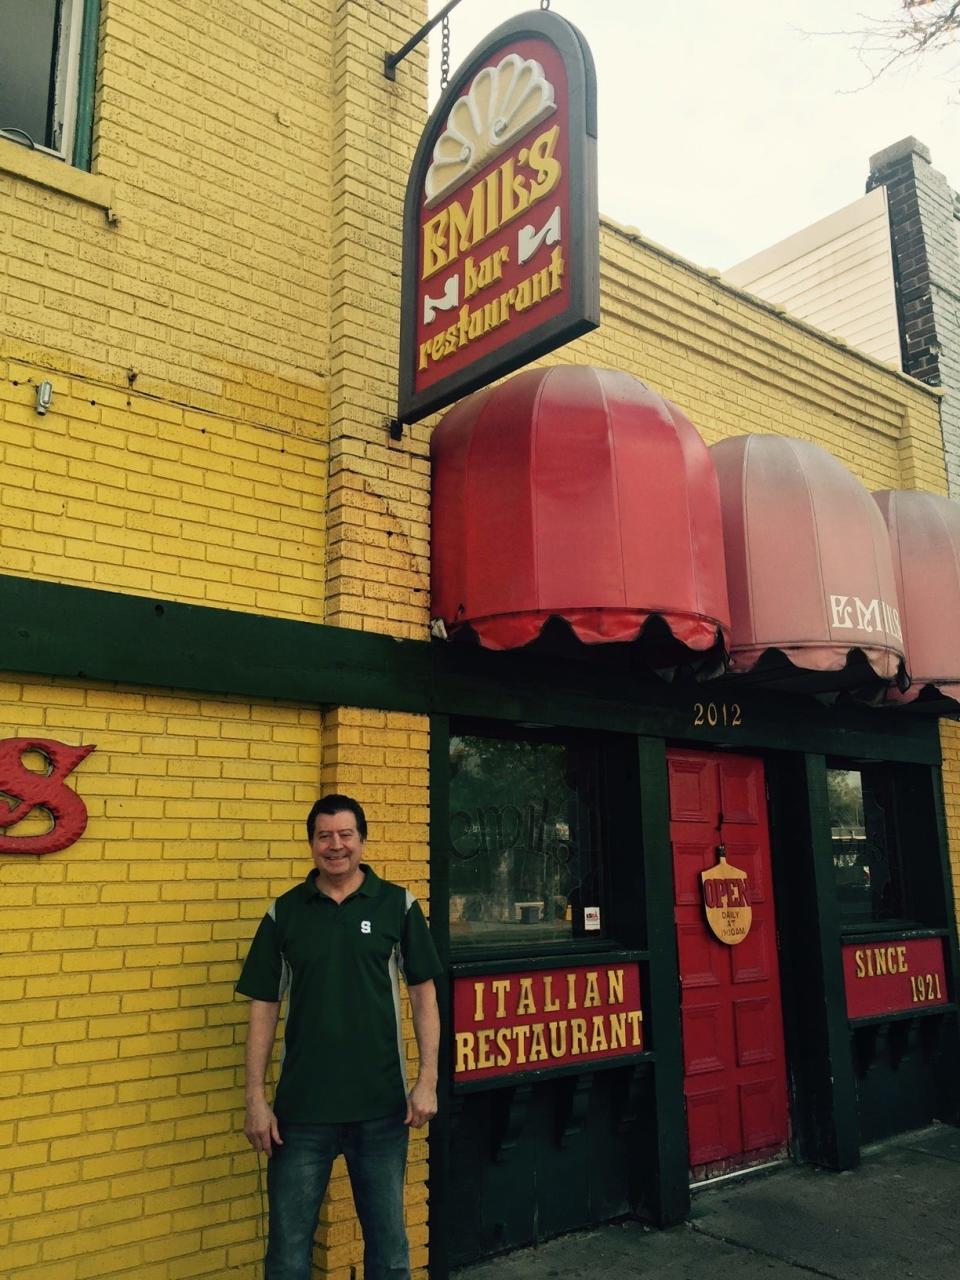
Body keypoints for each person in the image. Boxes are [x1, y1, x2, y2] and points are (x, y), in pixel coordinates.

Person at [237, 793, 442, 1280]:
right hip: (300, 1115)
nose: (335, 845)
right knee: (287, 1256)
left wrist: (428, 1079)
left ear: (362, 841)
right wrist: (255, 1099)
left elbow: (423, 997)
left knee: (389, 1253)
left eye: (345, 834)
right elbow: (264, 1008)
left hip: (383, 1110)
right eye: (324, 835)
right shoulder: (283, 913)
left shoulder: (399, 904)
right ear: (311, 844)